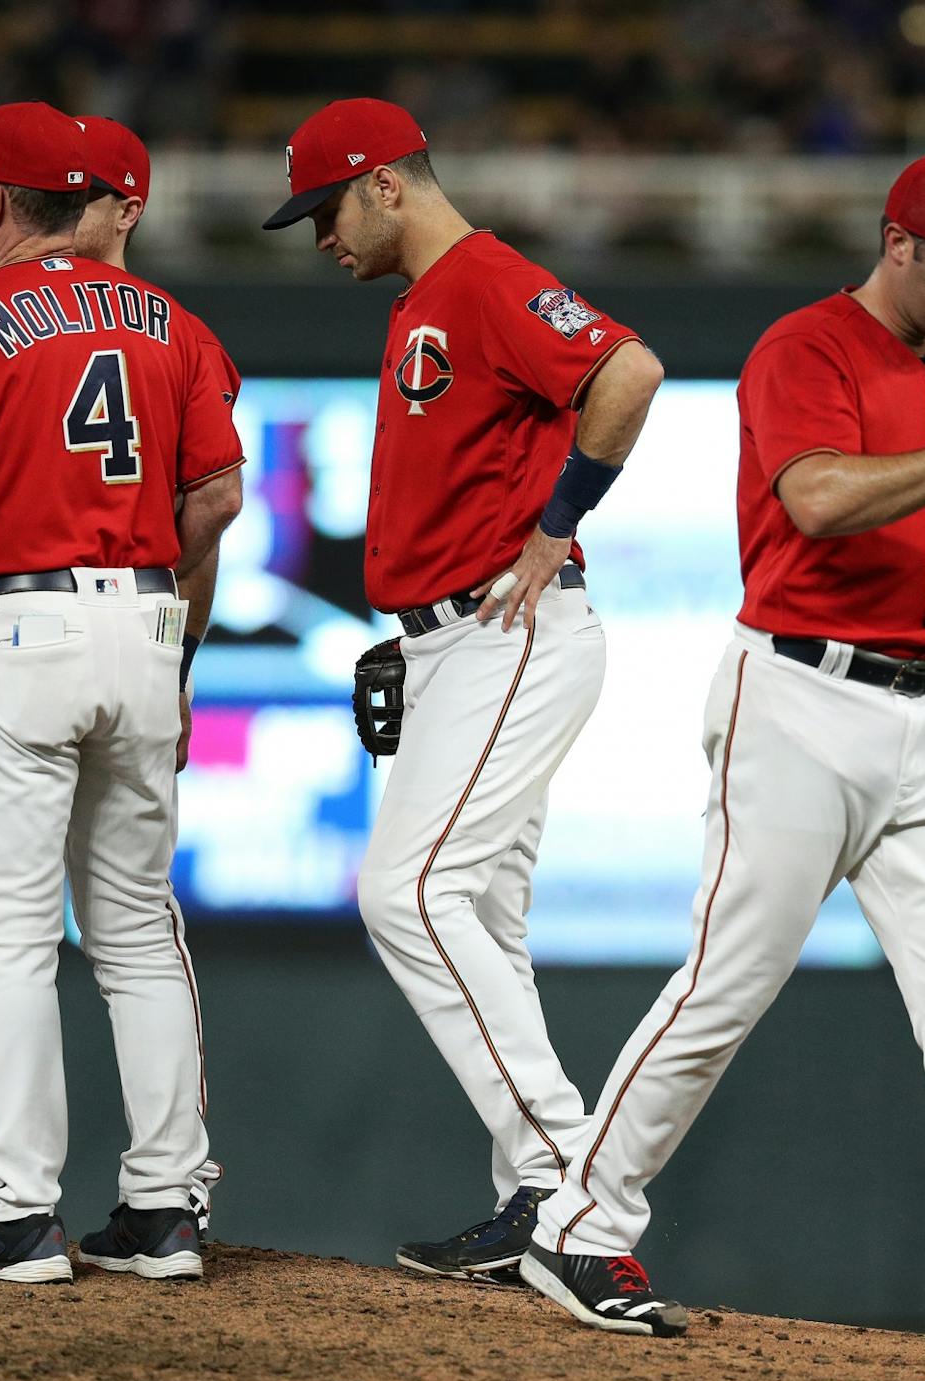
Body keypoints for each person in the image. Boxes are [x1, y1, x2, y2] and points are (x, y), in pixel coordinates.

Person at [519, 153, 925, 1366]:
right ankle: (576, 1221)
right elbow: (817, 500)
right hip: (800, 700)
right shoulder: (803, 350)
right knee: (727, 986)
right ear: (900, 243)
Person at [262, 99, 664, 1281]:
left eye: (325, 206)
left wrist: (558, 523)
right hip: (452, 637)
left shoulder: (485, 280)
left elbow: (629, 371)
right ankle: (527, 1207)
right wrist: (413, 628)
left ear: (386, 183)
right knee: (483, 918)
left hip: (511, 627)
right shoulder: (422, 304)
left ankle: (565, 1179)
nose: (317, 235)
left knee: (406, 890)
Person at [0, 101, 244, 1283]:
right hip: (144, 618)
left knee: (13, 935)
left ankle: (22, 1211)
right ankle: (164, 1207)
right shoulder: (173, 325)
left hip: (18, 618)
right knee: (139, 928)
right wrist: (155, 600)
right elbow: (218, 503)